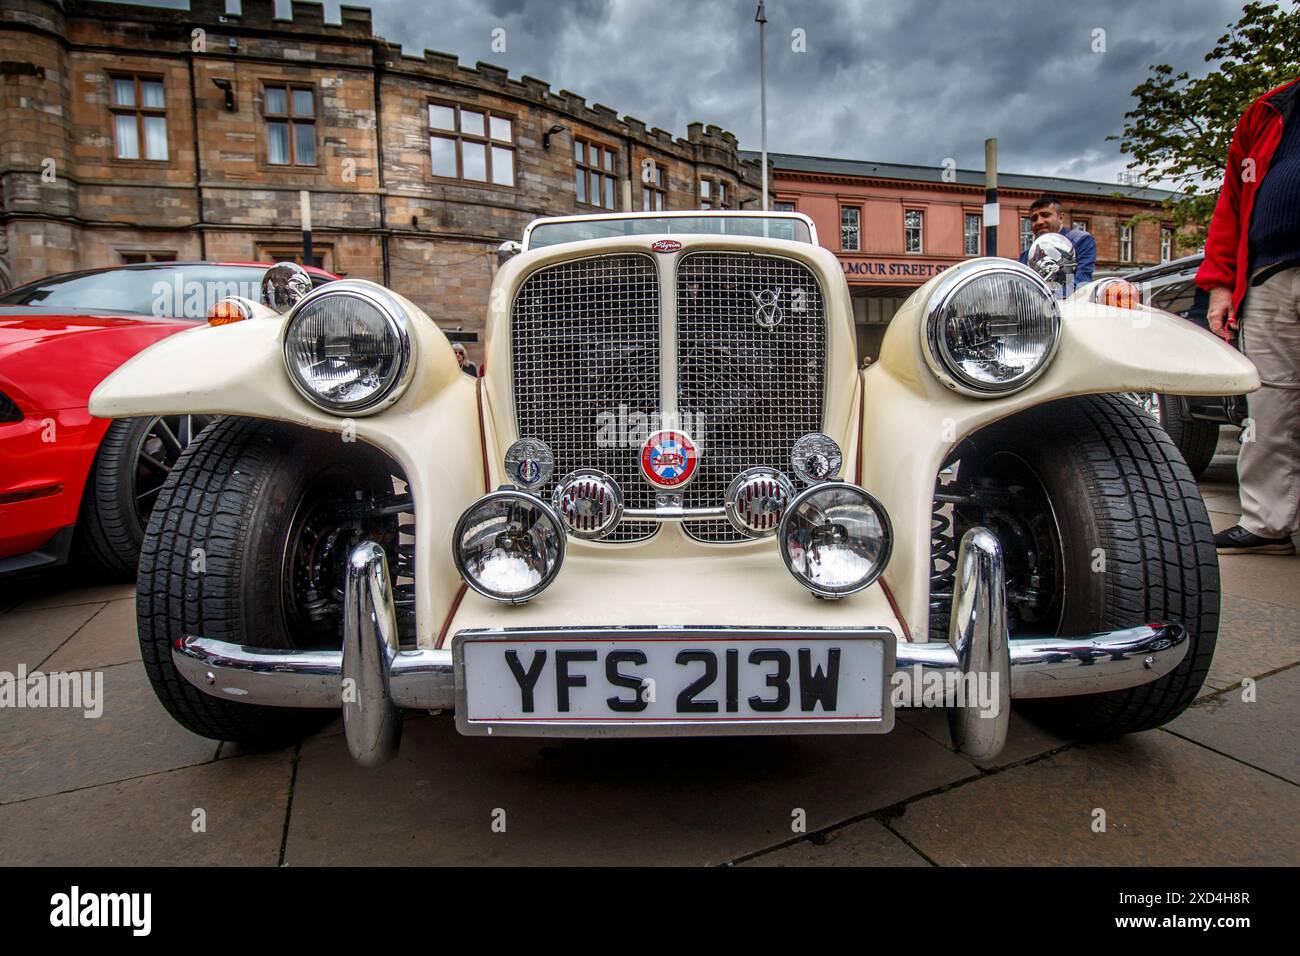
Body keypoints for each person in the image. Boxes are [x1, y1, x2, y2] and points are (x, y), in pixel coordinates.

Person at [1196, 76, 1299, 556]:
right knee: (1269, 407)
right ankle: (1267, 520)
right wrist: (1220, 283)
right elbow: (1232, 204)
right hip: (1268, 275)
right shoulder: (1267, 110)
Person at [1018, 195, 1096, 293]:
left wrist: (1042, 298)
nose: (1039, 222)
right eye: (1034, 218)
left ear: (1061, 217)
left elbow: (1080, 282)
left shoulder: (1080, 240)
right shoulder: (1026, 255)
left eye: (1045, 215)